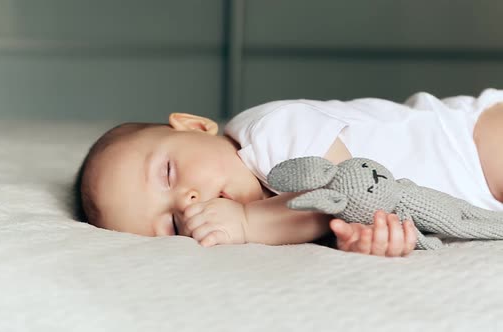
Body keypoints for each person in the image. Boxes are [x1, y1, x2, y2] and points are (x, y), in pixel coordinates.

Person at [73, 88, 503, 257]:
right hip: (476, 198)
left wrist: (246, 222)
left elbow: (340, 186)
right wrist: (366, 241)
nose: (187, 202)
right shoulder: (281, 230)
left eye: (168, 173)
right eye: (169, 223)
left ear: (196, 126)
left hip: (473, 142)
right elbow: (360, 210)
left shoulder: (265, 131)